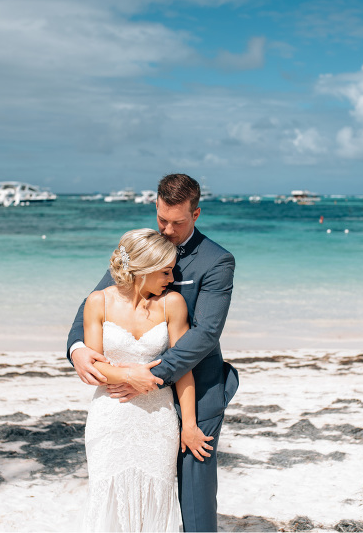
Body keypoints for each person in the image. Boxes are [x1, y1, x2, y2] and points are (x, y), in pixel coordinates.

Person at [68, 173, 238, 532]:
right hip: (127, 398)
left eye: (177, 222)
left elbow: (206, 334)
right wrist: (77, 349)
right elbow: (94, 306)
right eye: (162, 219)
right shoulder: (142, 251)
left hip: (196, 386)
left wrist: (150, 377)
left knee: (193, 491)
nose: (168, 229)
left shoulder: (216, 261)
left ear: (196, 214)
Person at [81, 229, 213, 531]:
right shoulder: (97, 302)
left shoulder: (173, 304)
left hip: (158, 420)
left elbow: (184, 369)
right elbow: (94, 366)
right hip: (110, 415)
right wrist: (133, 375)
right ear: (143, 269)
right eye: (165, 271)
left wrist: (189, 426)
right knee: (109, 498)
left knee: (157, 499)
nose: (171, 278)